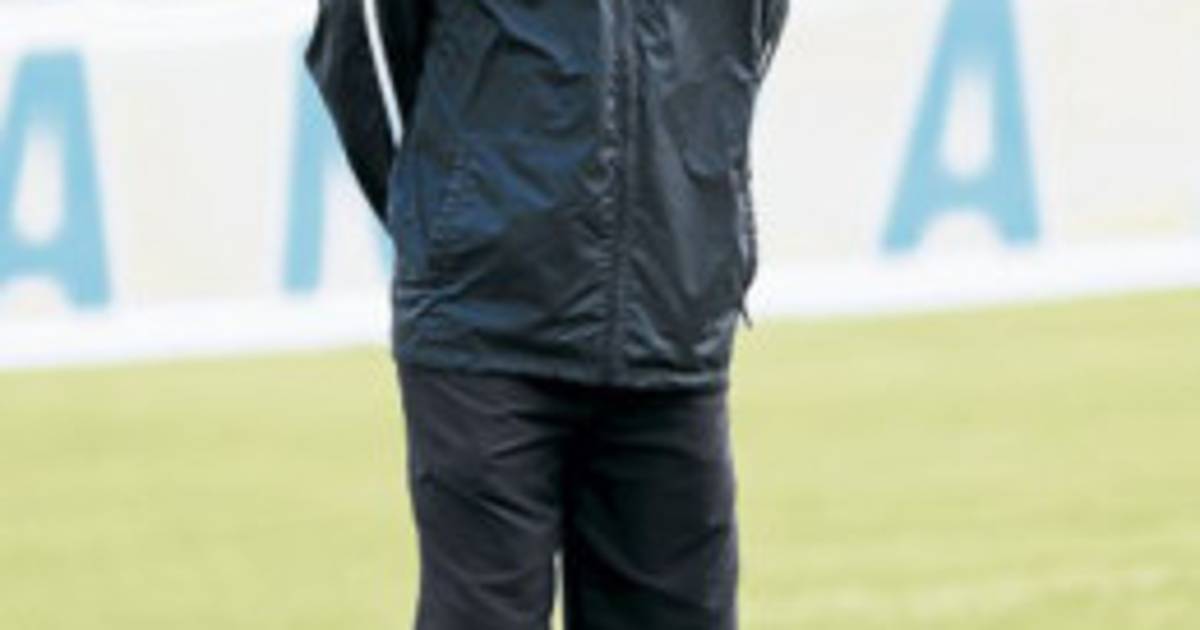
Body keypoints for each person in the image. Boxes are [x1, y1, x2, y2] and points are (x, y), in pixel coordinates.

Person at [305, 1, 789, 628]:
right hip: (486, 329)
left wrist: (696, 207)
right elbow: (361, 44)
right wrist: (448, 227)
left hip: (672, 316)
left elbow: (747, 42)